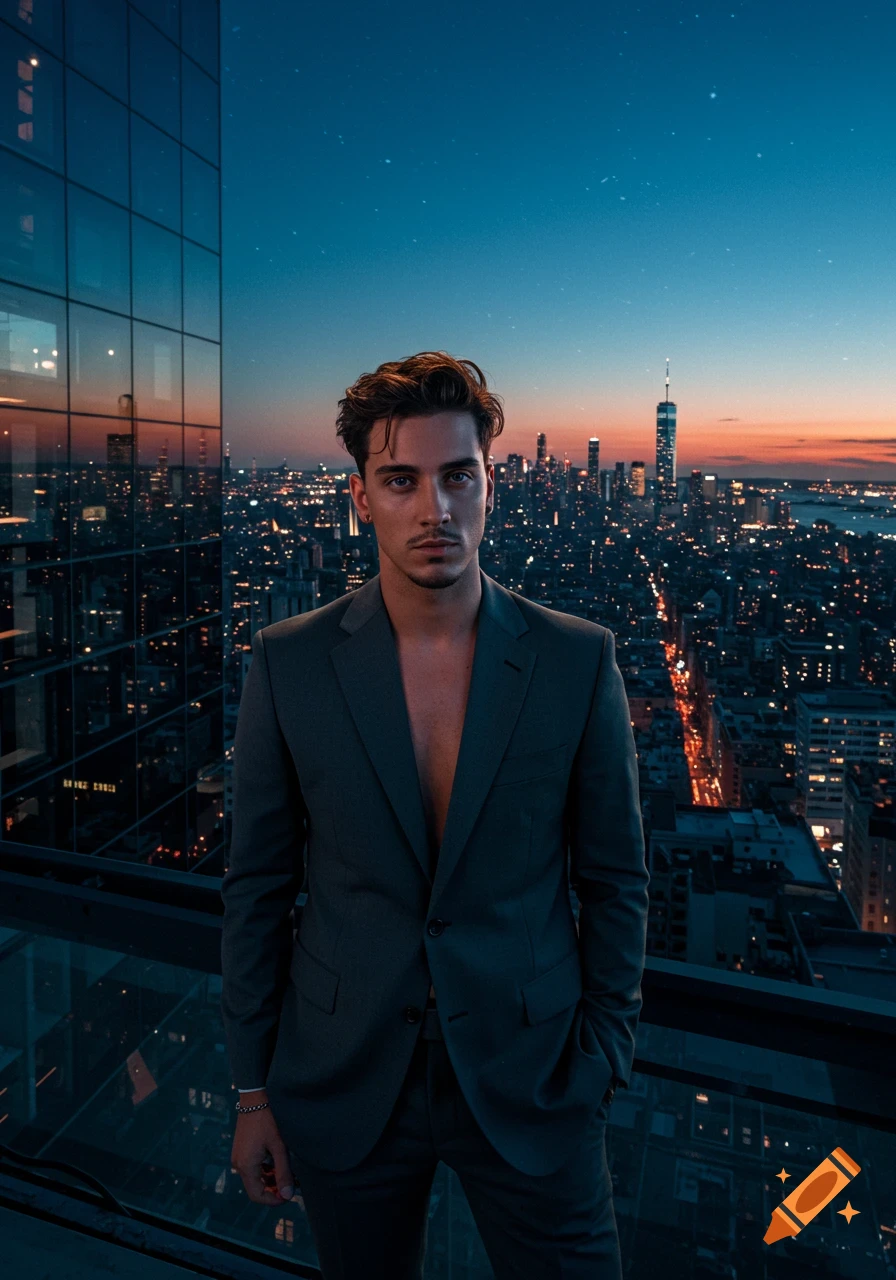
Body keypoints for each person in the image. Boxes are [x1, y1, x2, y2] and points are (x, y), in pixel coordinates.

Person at [221, 351, 649, 1278]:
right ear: (361, 495)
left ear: (493, 483)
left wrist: (605, 1051)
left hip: (533, 1079)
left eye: (459, 476)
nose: (435, 509)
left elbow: (616, 881)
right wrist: (252, 1089)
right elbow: (256, 888)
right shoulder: (287, 665)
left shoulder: (577, 662)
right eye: (402, 480)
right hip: (344, 1076)